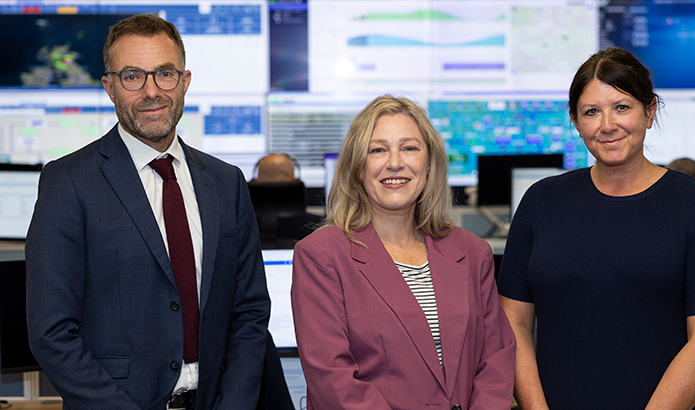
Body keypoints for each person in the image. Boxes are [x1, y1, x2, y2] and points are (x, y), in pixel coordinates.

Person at [25, 14, 270, 410]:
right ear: (109, 87)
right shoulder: (68, 182)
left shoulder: (227, 183)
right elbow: (51, 333)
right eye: (133, 76)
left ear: (185, 81)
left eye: (165, 74)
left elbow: (250, 313)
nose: (152, 91)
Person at [498, 47, 695, 410]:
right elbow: (511, 326)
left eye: (622, 107)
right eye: (591, 112)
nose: (607, 124)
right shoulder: (540, 202)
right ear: (576, 122)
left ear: (650, 112)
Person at [291, 94, 516, 409]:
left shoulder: (471, 250)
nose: (395, 162)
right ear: (357, 168)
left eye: (409, 148)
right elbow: (333, 379)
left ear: (429, 163)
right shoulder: (322, 255)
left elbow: (496, 359)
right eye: (378, 149)